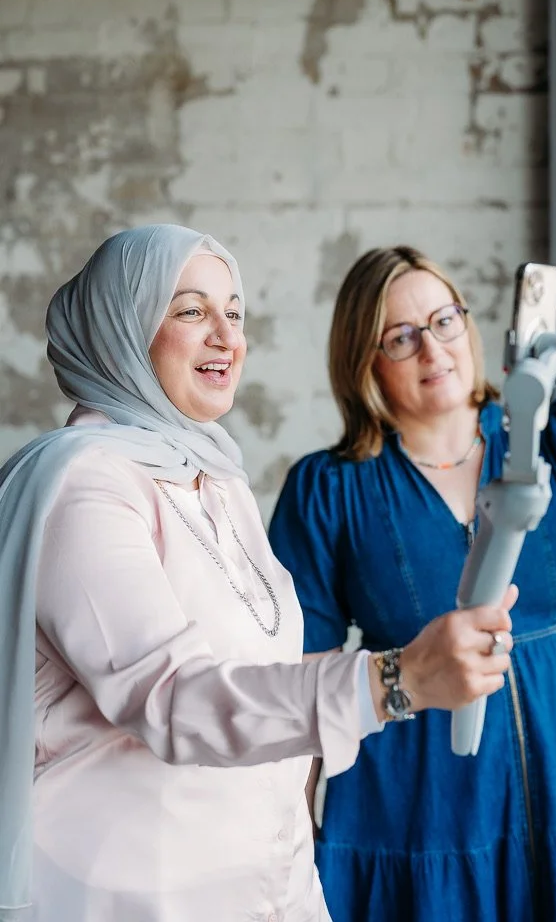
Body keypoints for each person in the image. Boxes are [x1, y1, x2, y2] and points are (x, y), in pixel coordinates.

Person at [0, 226, 519, 922]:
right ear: (121, 329)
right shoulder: (83, 483)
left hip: (260, 887)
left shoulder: (214, 478)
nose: (227, 337)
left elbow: (264, 689)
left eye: (235, 312)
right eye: (191, 311)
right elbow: (174, 699)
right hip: (130, 896)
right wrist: (396, 681)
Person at [268, 245, 556, 922]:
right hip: (416, 805)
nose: (434, 349)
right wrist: (291, 831)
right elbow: (304, 680)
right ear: (365, 362)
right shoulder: (327, 489)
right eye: (402, 337)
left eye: (444, 320)